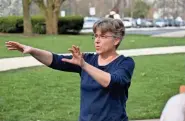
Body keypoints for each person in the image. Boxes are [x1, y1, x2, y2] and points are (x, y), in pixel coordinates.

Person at [5, 18, 135, 121]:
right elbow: (55, 60)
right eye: (95, 36)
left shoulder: (125, 63)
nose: (97, 41)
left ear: (116, 40)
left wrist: (83, 65)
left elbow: (112, 81)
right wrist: (32, 50)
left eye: (103, 36)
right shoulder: (88, 59)